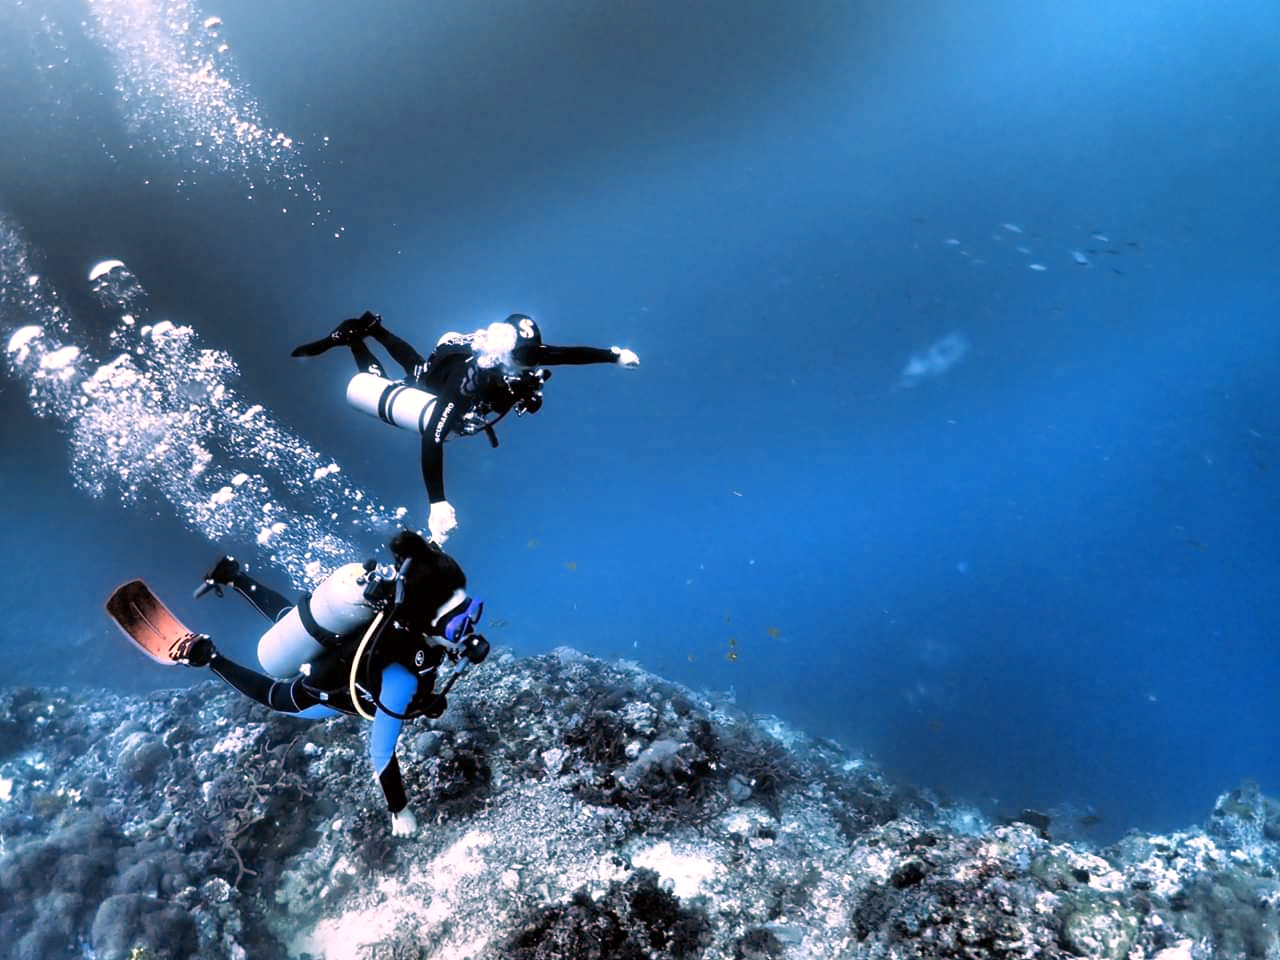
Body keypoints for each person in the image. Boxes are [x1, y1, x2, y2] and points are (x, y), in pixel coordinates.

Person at [169, 529, 489, 837]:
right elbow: (381, 753)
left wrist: (428, 698)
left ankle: (234, 576)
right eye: (457, 625)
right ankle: (208, 657)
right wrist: (400, 810)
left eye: (471, 610)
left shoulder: (411, 623)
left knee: (290, 619)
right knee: (275, 696)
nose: (470, 630)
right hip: (322, 690)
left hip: (334, 640)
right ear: (422, 624)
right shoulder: (400, 679)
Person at [290, 311, 640, 543]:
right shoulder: (471, 379)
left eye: (533, 356)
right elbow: (433, 435)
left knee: (417, 368)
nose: (532, 362)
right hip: (447, 370)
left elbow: (567, 355)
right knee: (417, 376)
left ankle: (375, 329)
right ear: (505, 355)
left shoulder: (525, 353)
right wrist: (437, 502)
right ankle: (356, 338)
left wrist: (614, 355)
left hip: (457, 350)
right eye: (525, 358)